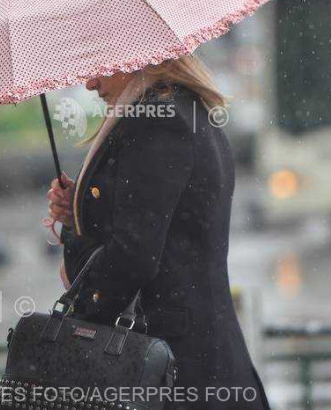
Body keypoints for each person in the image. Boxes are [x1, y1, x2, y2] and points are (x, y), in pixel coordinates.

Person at [46, 54, 270, 410]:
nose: (90, 83)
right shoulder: (188, 112)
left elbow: (133, 256)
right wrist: (81, 211)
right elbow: (167, 228)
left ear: (135, 56)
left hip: (170, 373)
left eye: (99, 66)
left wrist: (77, 252)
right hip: (206, 365)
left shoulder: (155, 124)